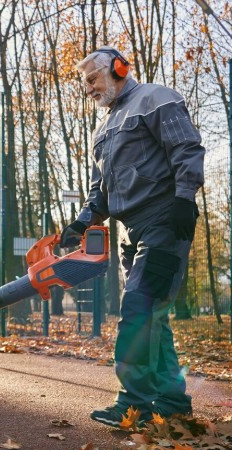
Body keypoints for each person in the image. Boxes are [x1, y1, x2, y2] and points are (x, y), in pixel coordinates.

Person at [60, 47, 205, 427]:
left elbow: (186, 148)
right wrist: (80, 223)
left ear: (119, 69)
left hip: (165, 221)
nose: (88, 88)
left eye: (92, 79)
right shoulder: (102, 129)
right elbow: (100, 191)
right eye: (84, 82)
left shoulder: (156, 99)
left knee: (139, 309)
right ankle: (171, 400)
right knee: (154, 313)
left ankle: (135, 403)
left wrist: (184, 199)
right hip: (132, 230)